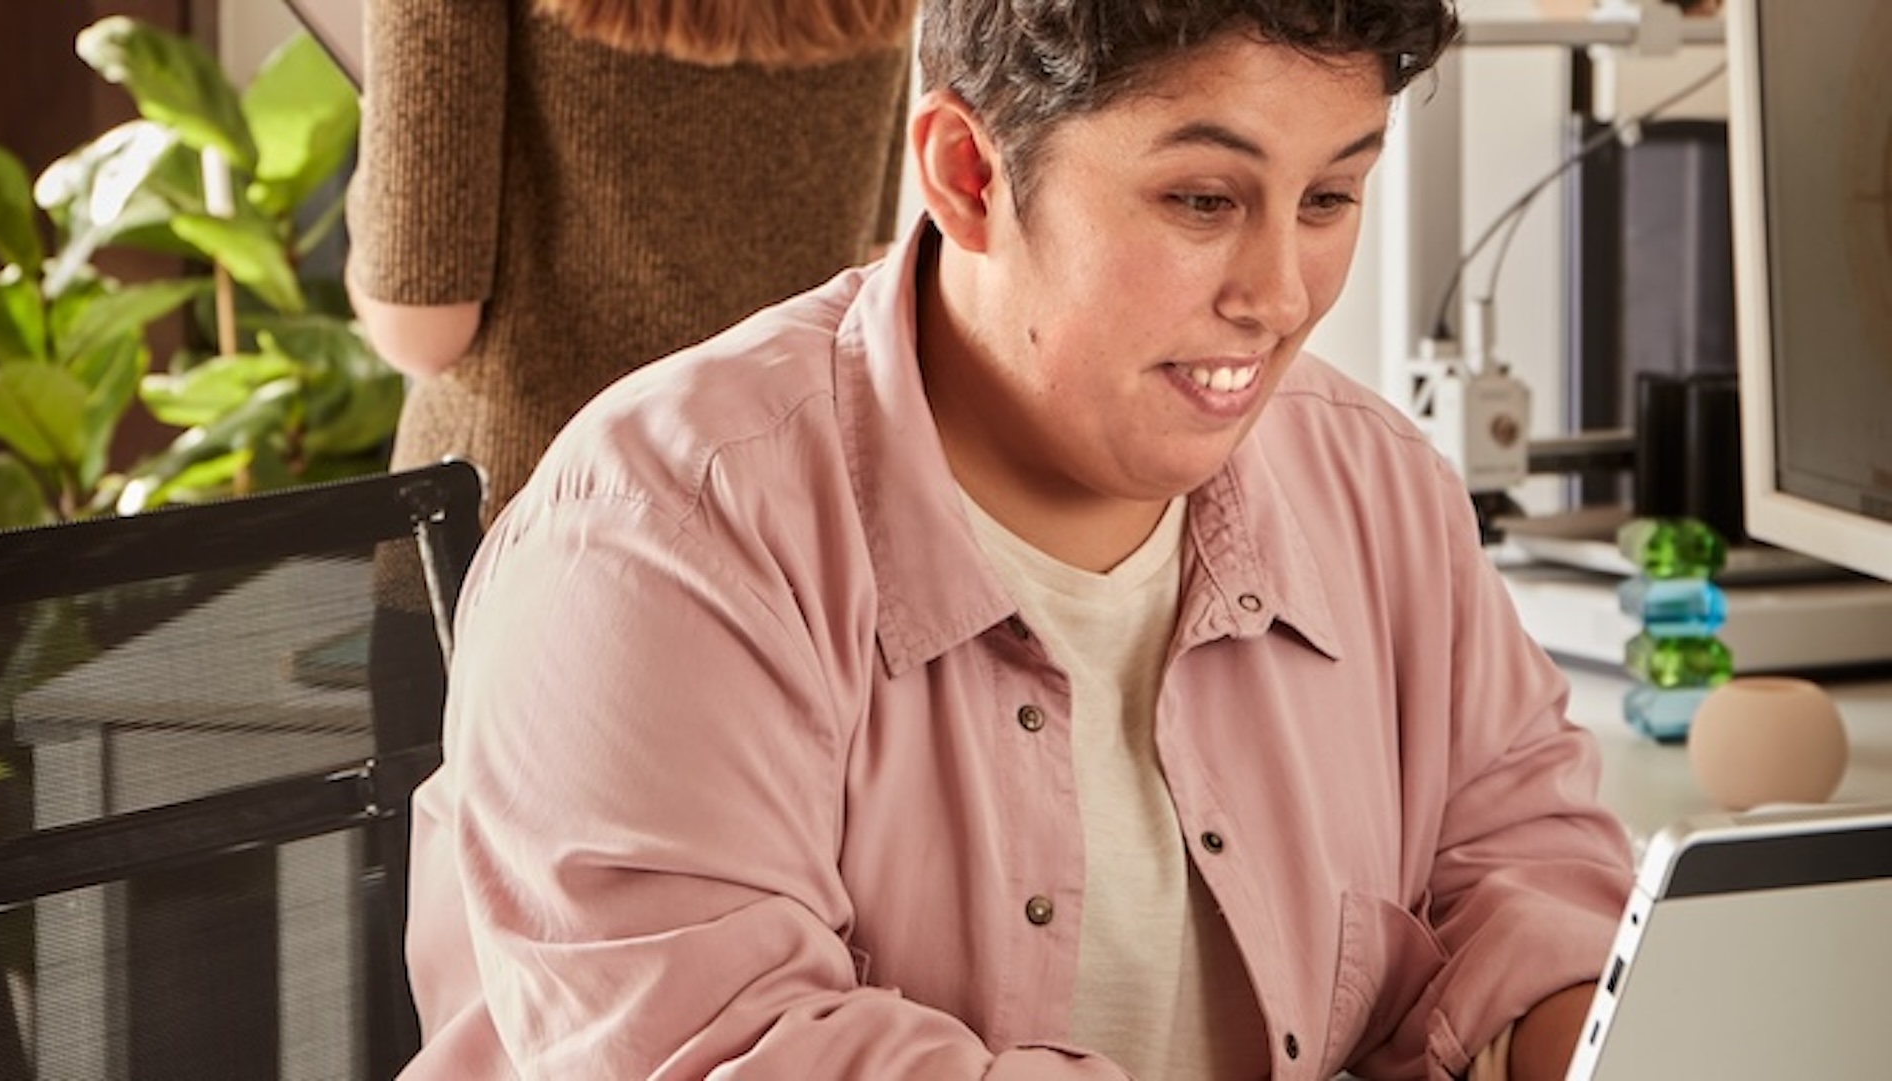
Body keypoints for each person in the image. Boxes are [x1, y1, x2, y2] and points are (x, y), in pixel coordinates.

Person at [402, 0, 1638, 1077]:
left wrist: (1579, 1026)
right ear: (966, 173)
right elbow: (740, 1050)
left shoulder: (1376, 489)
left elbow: (1519, 861)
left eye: (1326, 198)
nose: (1280, 295)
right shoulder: (657, 541)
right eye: (1203, 199)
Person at [346, 0, 918, 526]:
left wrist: (376, 199)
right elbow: (860, 267)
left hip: (516, 529)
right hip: (772, 538)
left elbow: (421, 330)